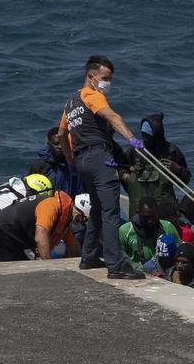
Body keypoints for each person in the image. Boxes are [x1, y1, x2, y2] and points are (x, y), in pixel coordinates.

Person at [57, 55, 145, 279]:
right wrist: (131, 138)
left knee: (96, 208)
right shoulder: (92, 95)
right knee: (110, 210)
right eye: (105, 78)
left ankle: (88, 256)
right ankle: (116, 265)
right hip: (99, 157)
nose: (108, 83)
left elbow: (61, 134)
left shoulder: (70, 103)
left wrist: (70, 161)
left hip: (81, 161)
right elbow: (113, 117)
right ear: (91, 76)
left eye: (110, 79)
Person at [0, 190, 85, 262]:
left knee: (25, 274)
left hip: (11, 242)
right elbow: (40, 237)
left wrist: (81, 263)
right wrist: (51, 266)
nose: (80, 224)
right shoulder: (51, 205)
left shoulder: (63, 220)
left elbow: (73, 246)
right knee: (10, 278)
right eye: (81, 219)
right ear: (79, 213)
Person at [122, 113, 190, 208]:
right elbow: (121, 166)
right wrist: (126, 177)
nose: (144, 139)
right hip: (140, 206)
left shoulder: (171, 151)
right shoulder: (135, 151)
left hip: (164, 206)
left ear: (156, 136)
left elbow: (185, 182)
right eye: (143, 134)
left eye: (148, 136)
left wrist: (177, 169)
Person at [119, 196, 180, 270]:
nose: (150, 221)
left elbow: (179, 250)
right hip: (136, 272)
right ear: (138, 212)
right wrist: (139, 268)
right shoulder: (125, 231)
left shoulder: (167, 228)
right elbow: (120, 256)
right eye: (146, 217)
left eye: (153, 217)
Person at [28, 126, 81, 197]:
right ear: (48, 144)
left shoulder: (74, 164)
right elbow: (28, 186)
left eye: (62, 143)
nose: (60, 146)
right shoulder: (39, 165)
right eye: (56, 144)